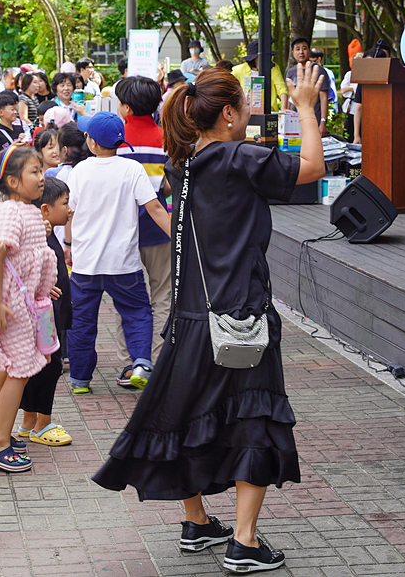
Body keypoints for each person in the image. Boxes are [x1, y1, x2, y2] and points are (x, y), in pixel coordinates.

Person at [93, 65, 326, 573]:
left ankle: (197, 522)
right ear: (227, 114)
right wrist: (305, 106)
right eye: (245, 106)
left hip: (192, 316)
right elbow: (311, 167)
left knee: (185, 415)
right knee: (252, 418)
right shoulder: (238, 157)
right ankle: (244, 542)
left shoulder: (188, 163)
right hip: (240, 316)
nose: (249, 114)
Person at [62, 111, 171, 394]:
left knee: (82, 322)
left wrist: (68, 245)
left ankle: (80, 379)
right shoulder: (131, 169)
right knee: (136, 313)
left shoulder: (80, 171)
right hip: (124, 265)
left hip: (86, 265)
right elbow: (156, 208)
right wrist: (180, 238)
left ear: (93, 143)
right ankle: (140, 363)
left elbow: (69, 213)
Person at [0, 145, 55, 473]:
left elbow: (27, 256)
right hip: (9, 305)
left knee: (10, 368)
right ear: (14, 182)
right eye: (35, 171)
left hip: (21, 304)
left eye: (41, 170)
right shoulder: (11, 212)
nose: (42, 177)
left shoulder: (27, 210)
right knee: (19, 371)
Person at [113, 76, 172, 379]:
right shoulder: (166, 137)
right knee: (162, 295)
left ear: (124, 107)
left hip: (122, 233)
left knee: (128, 300)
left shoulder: (115, 139)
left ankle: (131, 363)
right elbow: (171, 184)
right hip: (159, 230)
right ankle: (159, 363)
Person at [16, 176, 73, 447]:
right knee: (50, 366)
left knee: (39, 366)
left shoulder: (44, 234)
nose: (69, 208)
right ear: (45, 210)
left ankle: (29, 421)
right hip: (44, 313)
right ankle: (42, 423)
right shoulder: (38, 234)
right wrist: (38, 285)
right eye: (65, 203)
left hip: (46, 311)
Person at [284, 37, 328, 136]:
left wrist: (323, 122)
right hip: (294, 121)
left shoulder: (319, 70)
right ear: (293, 52)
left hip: (314, 119)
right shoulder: (290, 72)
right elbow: (289, 96)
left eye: (304, 48)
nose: (301, 52)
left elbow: (324, 98)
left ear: (309, 50)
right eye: (298, 49)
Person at [231, 40, 286, 113]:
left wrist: (284, 108)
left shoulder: (273, 69)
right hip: (245, 112)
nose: (265, 60)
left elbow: (282, 88)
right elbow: (226, 86)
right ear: (253, 59)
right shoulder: (239, 70)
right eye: (261, 57)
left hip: (268, 111)